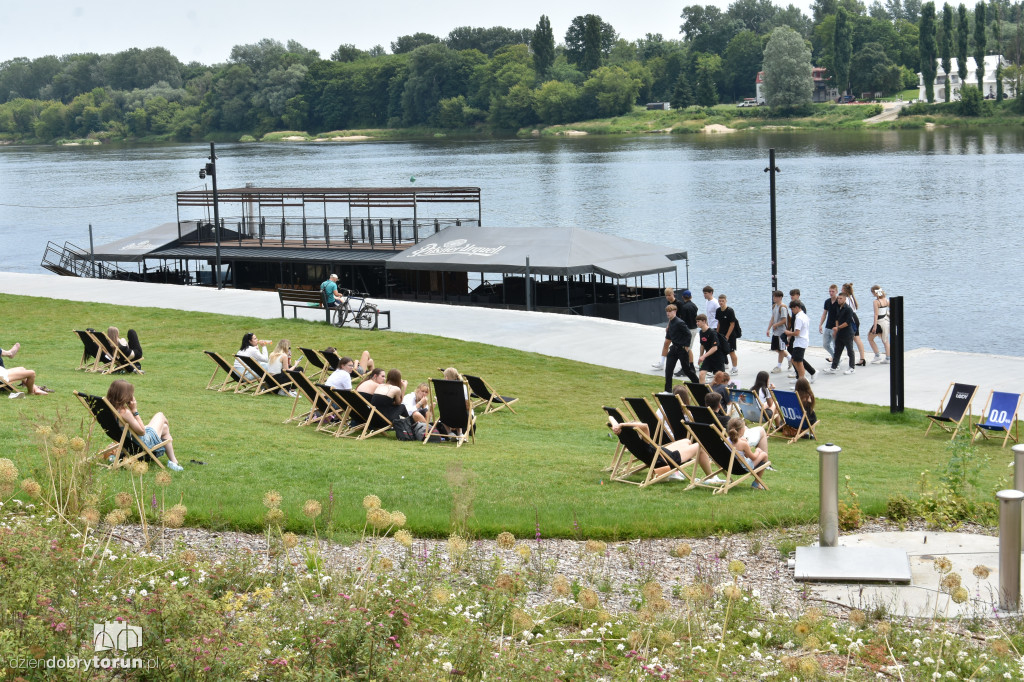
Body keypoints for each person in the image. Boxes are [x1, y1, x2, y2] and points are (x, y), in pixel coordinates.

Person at [607, 415, 718, 483]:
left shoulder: (627, 439)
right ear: (637, 430)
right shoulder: (644, 441)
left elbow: (611, 417)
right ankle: (711, 477)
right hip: (666, 460)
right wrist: (623, 424)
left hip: (660, 454)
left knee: (687, 441)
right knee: (700, 446)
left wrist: (618, 425)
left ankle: (675, 474)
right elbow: (645, 426)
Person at [105, 379, 184, 471]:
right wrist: (134, 410)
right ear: (124, 395)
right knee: (160, 415)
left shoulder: (108, 409)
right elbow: (142, 432)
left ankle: (174, 461)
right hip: (142, 443)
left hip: (127, 441)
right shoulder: (124, 412)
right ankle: (173, 461)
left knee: (165, 428)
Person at [725, 417, 770, 487]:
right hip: (742, 467)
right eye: (744, 427)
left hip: (728, 465)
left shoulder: (726, 440)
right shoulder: (743, 444)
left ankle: (757, 480)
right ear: (741, 430)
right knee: (764, 455)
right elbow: (753, 457)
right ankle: (756, 483)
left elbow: (745, 455)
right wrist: (757, 451)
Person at [663, 304, 697, 391]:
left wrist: (686, 347)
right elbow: (670, 335)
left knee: (686, 369)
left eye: (670, 311)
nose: (668, 313)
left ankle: (697, 384)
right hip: (674, 349)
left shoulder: (679, 322)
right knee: (668, 370)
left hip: (681, 349)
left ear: (674, 312)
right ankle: (668, 390)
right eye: (667, 311)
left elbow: (688, 334)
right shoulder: (670, 322)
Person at [782, 301, 816, 384]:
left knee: (799, 362)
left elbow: (797, 333)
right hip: (801, 341)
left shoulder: (799, 318)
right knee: (794, 360)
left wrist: (788, 333)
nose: (792, 311)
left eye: (793, 309)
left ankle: (802, 380)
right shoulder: (804, 316)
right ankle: (800, 378)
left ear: (797, 307)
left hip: (800, 341)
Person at [826, 291, 856, 375]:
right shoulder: (838, 307)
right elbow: (837, 319)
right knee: (837, 350)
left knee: (850, 351)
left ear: (845, 299)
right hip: (840, 332)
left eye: (841, 298)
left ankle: (852, 367)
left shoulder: (848, 309)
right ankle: (833, 367)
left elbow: (848, 322)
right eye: (838, 298)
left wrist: (838, 327)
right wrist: (836, 330)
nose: (839, 300)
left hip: (848, 333)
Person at [651, 287, 678, 370]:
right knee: (666, 343)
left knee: (680, 347)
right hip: (671, 326)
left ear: (673, 294)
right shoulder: (668, 303)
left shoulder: (678, 304)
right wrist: (668, 325)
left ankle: (687, 364)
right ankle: (662, 363)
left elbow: (678, 317)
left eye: (669, 295)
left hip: (677, 327)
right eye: (666, 295)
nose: (668, 297)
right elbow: (670, 317)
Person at [842, 283, 867, 366]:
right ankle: (862, 358)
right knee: (857, 339)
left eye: (842, 289)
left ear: (845, 290)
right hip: (855, 318)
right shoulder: (852, 297)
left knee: (844, 339)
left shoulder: (846, 299)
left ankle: (835, 357)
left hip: (851, 319)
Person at [695, 314, 725, 383]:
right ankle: (703, 392)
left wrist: (703, 356)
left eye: (698, 321)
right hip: (708, 357)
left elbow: (715, 348)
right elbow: (702, 345)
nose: (697, 323)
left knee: (719, 378)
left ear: (704, 321)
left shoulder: (712, 332)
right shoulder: (701, 332)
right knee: (701, 374)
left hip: (718, 358)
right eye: (696, 322)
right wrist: (701, 357)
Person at [715, 294, 741, 374]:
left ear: (726, 301)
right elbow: (719, 322)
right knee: (721, 351)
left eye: (722, 301)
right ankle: (722, 367)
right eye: (720, 301)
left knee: (731, 351)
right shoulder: (718, 310)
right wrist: (717, 333)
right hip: (721, 334)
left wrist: (727, 336)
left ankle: (735, 368)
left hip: (730, 335)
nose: (721, 302)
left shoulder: (730, 311)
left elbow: (732, 324)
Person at [766, 290, 790, 373]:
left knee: (781, 349)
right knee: (775, 348)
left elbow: (784, 320)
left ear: (780, 297)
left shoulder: (782, 307)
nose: (774, 298)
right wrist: (768, 328)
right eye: (773, 296)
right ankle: (789, 358)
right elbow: (772, 318)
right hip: (775, 332)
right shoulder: (774, 306)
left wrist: (776, 325)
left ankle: (779, 366)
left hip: (782, 332)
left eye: (775, 297)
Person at [678, 289, 700, 369]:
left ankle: (685, 367)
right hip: (694, 328)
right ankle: (691, 365)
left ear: (683, 297)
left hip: (687, 330)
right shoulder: (694, 306)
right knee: (689, 348)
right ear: (691, 297)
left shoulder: (684, 307)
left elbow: (682, 320)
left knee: (685, 349)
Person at [868, 285, 890, 363]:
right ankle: (888, 357)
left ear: (875, 292)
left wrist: (874, 326)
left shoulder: (876, 302)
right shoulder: (886, 300)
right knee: (885, 340)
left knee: (870, 338)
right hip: (885, 321)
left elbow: (876, 314)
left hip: (879, 322)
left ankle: (877, 355)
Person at [818, 284, 840, 363]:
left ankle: (836, 361)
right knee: (825, 344)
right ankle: (835, 357)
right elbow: (824, 313)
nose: (831, 293)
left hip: (836, 327)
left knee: (835, 345)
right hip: (828, 326)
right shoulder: (827, 301)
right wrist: (820, 324)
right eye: (830, 291)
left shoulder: (839, 301)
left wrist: (838, 327)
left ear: (836, 292)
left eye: (833, 291)